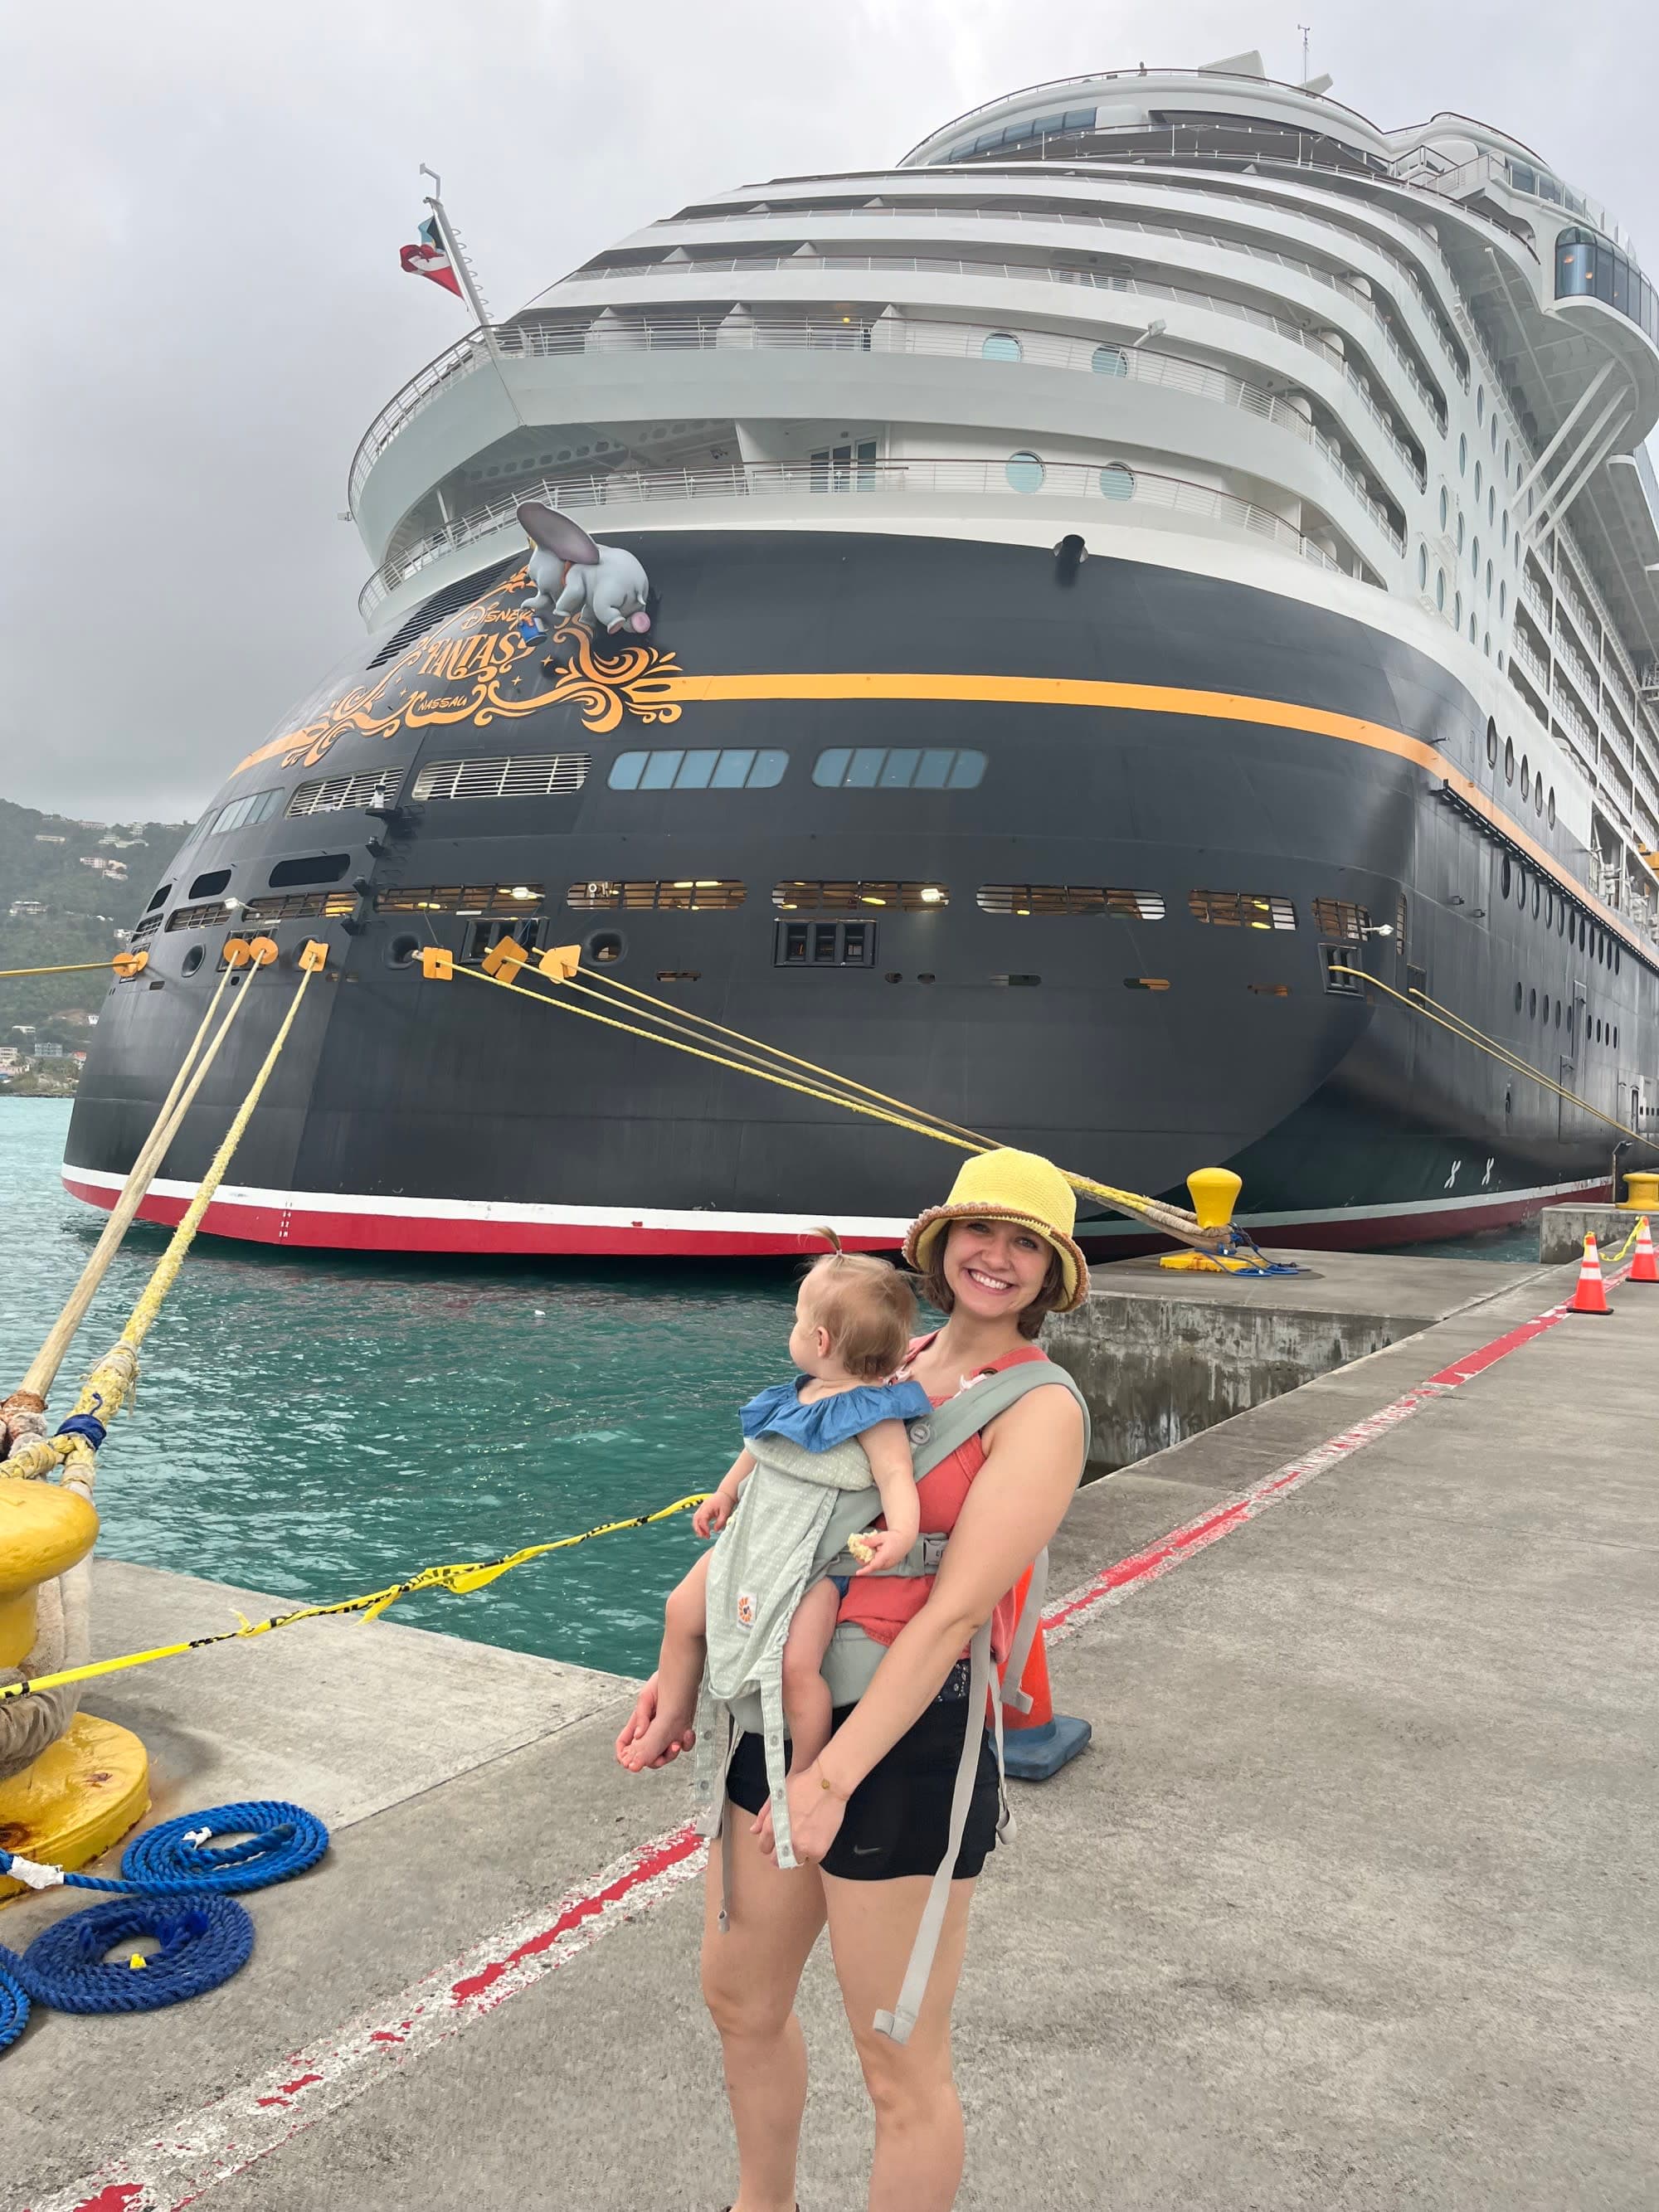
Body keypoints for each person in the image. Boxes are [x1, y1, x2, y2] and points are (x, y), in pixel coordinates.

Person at [615, 1148, 1091, 2212]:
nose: (997, 1258)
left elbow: (958, 1610)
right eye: (981, 1232)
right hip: (776, 1721)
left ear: (1051, 1273)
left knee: (896, 2059)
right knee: (737, 1997)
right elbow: (784, 1517)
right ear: (940, 1244)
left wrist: (832, 1778)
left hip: (900, 1742)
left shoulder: (1040, 1410)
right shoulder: (890, 1361)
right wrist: (676, 1664)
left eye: (1025, 1243)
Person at [617, 1238, 931, 1777]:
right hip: (753, 1539)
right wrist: (725, 1492)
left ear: (821, 1338)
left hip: (813, 1564)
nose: (792, 1328)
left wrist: (901, 1532)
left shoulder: (874, 1415)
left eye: (796, 1319)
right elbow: (759, 1449)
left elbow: (896, 1475)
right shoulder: (796, 1394)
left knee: (795, 1668)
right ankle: (673, 1712)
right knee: (681, 1610)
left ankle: (807, 1769)